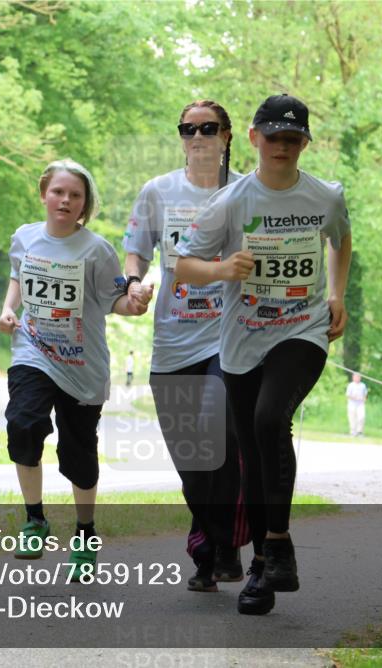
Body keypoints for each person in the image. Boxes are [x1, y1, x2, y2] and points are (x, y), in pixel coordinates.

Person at [175, 94, 352, 615]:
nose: (283, 147)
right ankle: (261, 565)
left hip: (303, 331)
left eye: (293, 139)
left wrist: (336, 292)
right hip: (242, 341)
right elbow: (184, 265)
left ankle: (278, 541)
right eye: (274, 137)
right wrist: (222, 270)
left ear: (304, 143)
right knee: (253, 450)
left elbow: (342, 240)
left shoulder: (325, 196)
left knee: (272, 418)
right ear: (253, 138)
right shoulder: (231, 203)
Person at [0, 159, 152, 579]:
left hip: (82, 365)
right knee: (23, 424)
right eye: (58, 192)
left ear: (85, 204)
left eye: (75, 195)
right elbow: (17, 276)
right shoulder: (24, 238)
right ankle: (35, 521)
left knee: (77, 453)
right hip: (33, 350)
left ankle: (85, 534)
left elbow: (115, 301)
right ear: (44, 194)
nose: (65, 200)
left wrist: (134, 305)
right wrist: (8, 310)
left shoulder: (96, 250)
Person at [124, 99, 248, 593]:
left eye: (208, 128)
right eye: (187, 129)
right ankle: (215, 543)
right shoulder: (158, 192)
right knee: (192, 461)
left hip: (231, 336)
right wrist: (132, 283)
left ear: (227, 135)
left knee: (216, 435)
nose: (197, 136)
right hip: (173, 341)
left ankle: (218, 549)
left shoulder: (247, 191)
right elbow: (136, 247)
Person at [346, 372, 368, 436]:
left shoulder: (363, 385)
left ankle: (360, 431)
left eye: (358, 377)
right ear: (353, 377)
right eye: (355, 377)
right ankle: (353, 431)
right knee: (352, 417)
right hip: (352, 404)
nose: (357, 378)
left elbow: (366, 394)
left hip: (360, 404)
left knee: (361, 417)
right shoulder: (350, 385)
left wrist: (364, 399)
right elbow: (348, 395)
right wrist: (354, 397)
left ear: (360, 378)